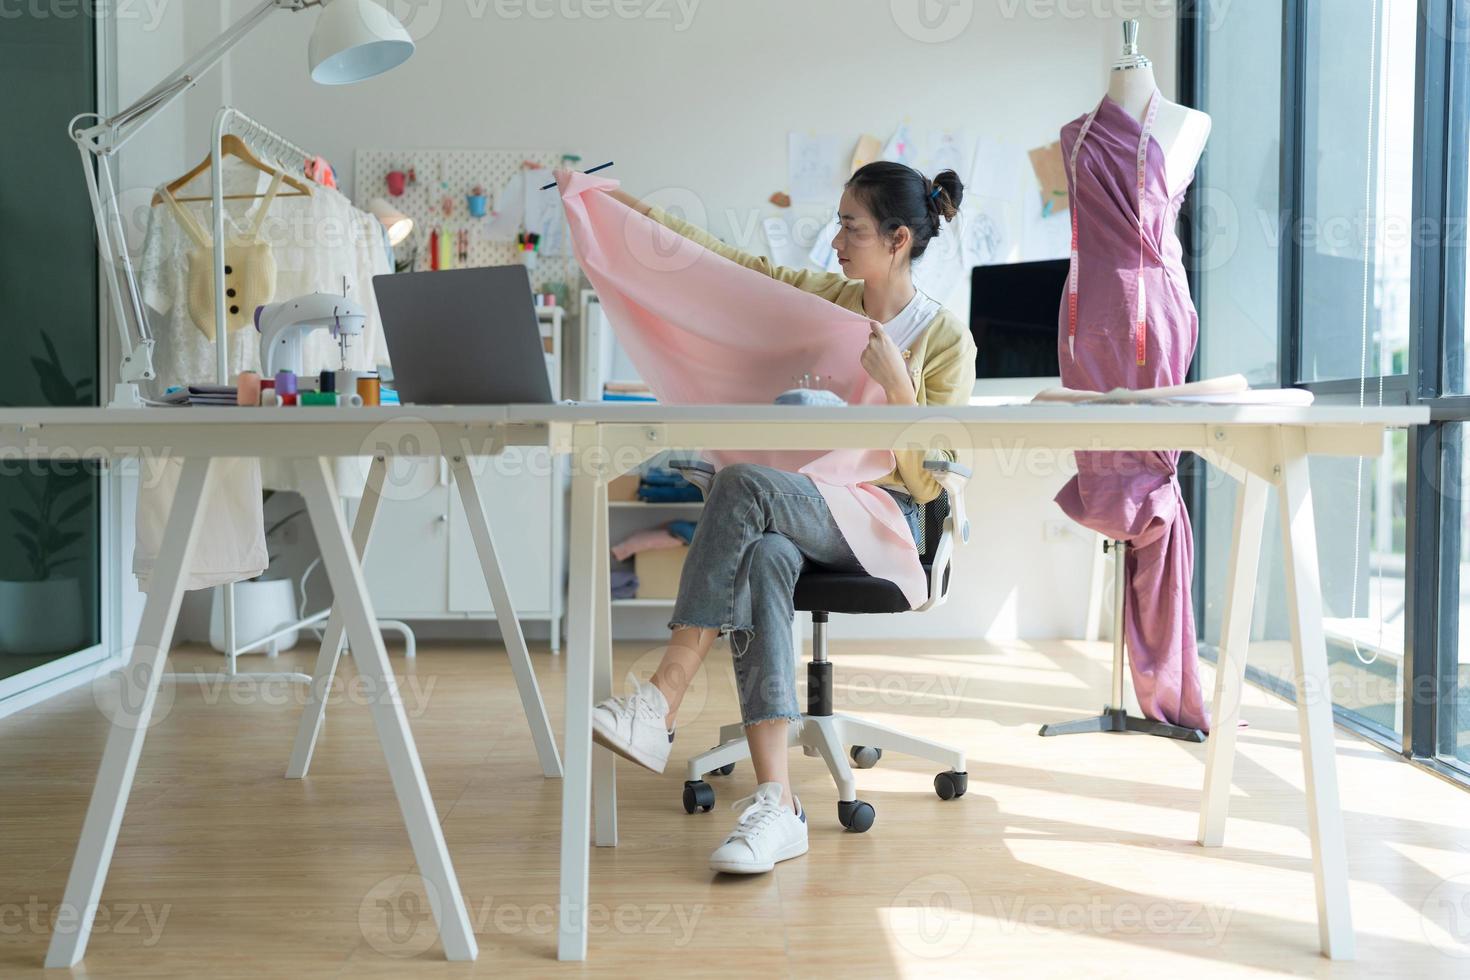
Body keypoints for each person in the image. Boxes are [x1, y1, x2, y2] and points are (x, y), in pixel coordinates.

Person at [581, 161, 977, 874]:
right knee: (761, 552)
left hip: (887, 521)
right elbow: (729, 269)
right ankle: (778, 805)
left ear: (896, 240)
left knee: (744, 486)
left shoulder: (946, 341)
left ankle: (662, 698)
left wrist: (899, 391)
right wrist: (624, 210)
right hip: (813, 501)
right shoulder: (831, 301)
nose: (835, 243)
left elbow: (928, 481)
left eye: (850, 228)